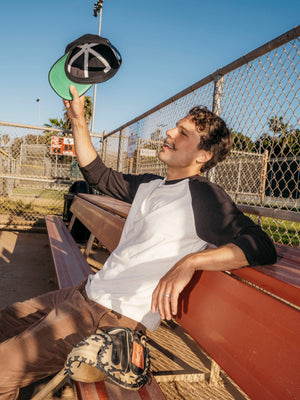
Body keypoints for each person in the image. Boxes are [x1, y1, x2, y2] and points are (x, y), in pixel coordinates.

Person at [0, 86, 276, 399]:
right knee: (7, 319)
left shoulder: (204, 197)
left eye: (183, 133)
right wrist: (78, 121)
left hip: (108, 316)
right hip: (86, 292)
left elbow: (260, 244)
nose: (170, 132)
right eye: (176, 126)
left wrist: (191, 261)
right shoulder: (151, 184)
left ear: (203, 155)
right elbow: (97, 175)